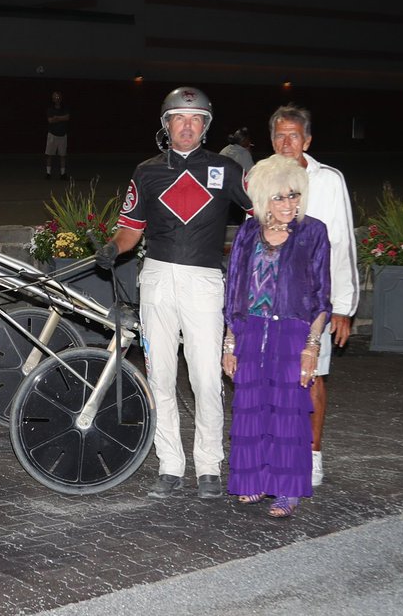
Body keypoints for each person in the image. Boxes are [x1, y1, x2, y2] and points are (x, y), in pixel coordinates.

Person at [96, 86, 252, 500]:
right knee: (160, 377)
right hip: (158, 281)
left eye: (195, 119)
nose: (187, 126)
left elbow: (260, 215)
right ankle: (169, 464)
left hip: (204, 283)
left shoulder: (226, 169)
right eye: (179, 119)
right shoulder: (146, 172)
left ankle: (208, 465)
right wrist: (114, 247)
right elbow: (131, 230)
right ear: (166, 125)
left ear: (206, 126)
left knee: (205, 378)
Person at [222, 154, 330, 518]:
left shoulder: (313, 232)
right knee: (251, 407)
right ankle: (252, 481)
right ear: (263, 199)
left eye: (294, 195)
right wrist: (230, 343)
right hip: (250, 329)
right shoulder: (248, 233)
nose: (289, 204)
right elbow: (234, 289)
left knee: (288, 412)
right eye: (280, 197)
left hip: (293, 332)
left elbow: (321, 297)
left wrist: (311, 348)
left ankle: (286, 490)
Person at [269, 104, 358, 487]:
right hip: (269, 299)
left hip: (312, 300)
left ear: (307, 139)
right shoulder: (260, 178)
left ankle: (313, 453)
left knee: (312, 376)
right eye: (279, 135)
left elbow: (342, 242)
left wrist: (343, 307)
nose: (286, 142)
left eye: (293, 135)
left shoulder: (329, 180)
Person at [45, 91, 70, 180]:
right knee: (49, 155)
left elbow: (67, 117)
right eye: (55, 97)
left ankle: (63, 174)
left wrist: (57, 118)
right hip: (52, 134)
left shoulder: (65, 108)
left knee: (62, 155)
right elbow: (50, 120)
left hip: (62, 135)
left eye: (58, 97)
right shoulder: (50, 109)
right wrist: (61, 118)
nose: (57, 99)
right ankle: (48, 173)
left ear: (61, 98)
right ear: (52, 99)